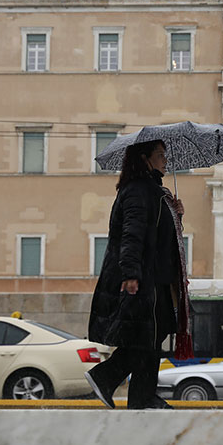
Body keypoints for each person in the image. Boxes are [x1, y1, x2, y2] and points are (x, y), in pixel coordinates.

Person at [85, 140, 187, 409]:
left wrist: (176, 215)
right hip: (144, 279)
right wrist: (131, 274)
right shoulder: (138, 191)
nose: (166, 160)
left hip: (158, 278)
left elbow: (161, 236)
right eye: (160, 155)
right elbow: (132, 234)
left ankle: (142, 396)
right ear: (144, 159)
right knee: (145, 337)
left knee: (153, 336)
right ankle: (106, 376)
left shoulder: (156, 192)